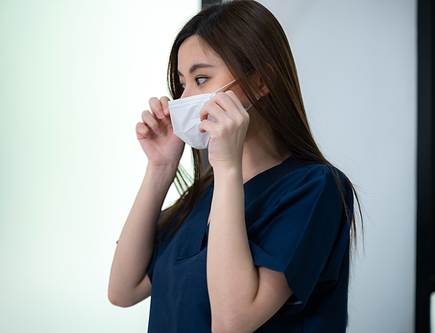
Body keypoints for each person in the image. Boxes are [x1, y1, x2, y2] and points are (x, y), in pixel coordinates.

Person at [108, 1, 362, 332]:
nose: (184, 98)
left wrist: (227, 167)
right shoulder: (201, 197)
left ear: (261, 81)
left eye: (201, 78)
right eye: (181, 82)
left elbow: (232, 321)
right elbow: (122, 290)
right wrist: (160, 168)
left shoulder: (315, 187)